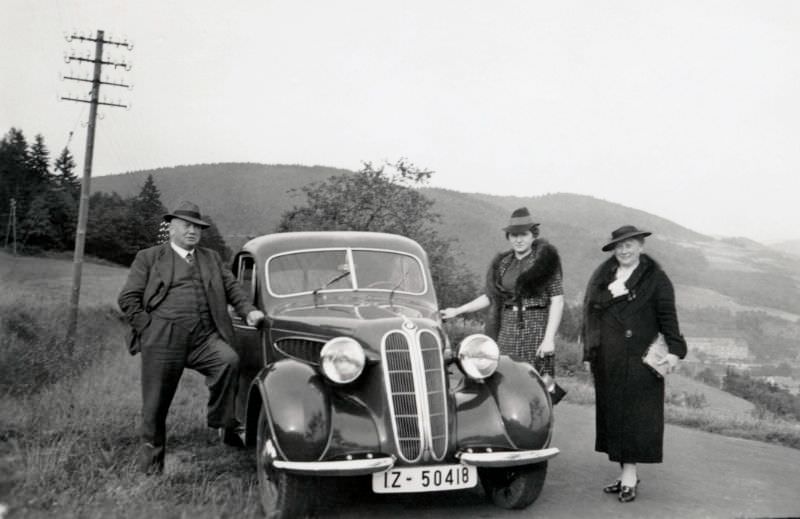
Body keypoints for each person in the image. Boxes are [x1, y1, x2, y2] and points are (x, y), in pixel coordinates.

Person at [118, 201, 265, 474]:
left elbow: (233, 288)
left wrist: (250, 311)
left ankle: (221, 420)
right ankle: (151, 468)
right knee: (155, 404)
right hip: (163, 338)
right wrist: (148, 328)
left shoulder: (210, 258)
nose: (192, 231)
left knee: (229, 360)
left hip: (204, 337)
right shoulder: (149, 257)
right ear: (171, 227)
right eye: (186, 225)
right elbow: (128, 298)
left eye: (197, 227)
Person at [581, 225, 687, 503]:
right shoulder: (603, 278)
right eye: (619, 246)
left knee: (634, 419)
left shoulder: (657, 279)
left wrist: (675, 351)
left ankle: (629, 475)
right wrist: (589, 353)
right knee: (614, 417)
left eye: (630, 245)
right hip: (608, 360)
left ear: (641, 246)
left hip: (640, 362)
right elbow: (590, 318)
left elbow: (668, 317)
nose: (624, 250)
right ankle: (625, 473)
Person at [440, 207, 564, 380]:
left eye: (524, 235)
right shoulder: (503, 264)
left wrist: (549, 339)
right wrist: (457, 311)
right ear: (509, 237)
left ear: (533, 235)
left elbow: (557, 300)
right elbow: (490, 296)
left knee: (538, 383)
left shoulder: (546, 262)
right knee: (506, 379)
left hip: (536, 328)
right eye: (514, 235)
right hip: (507, 329)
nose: (519, 240)